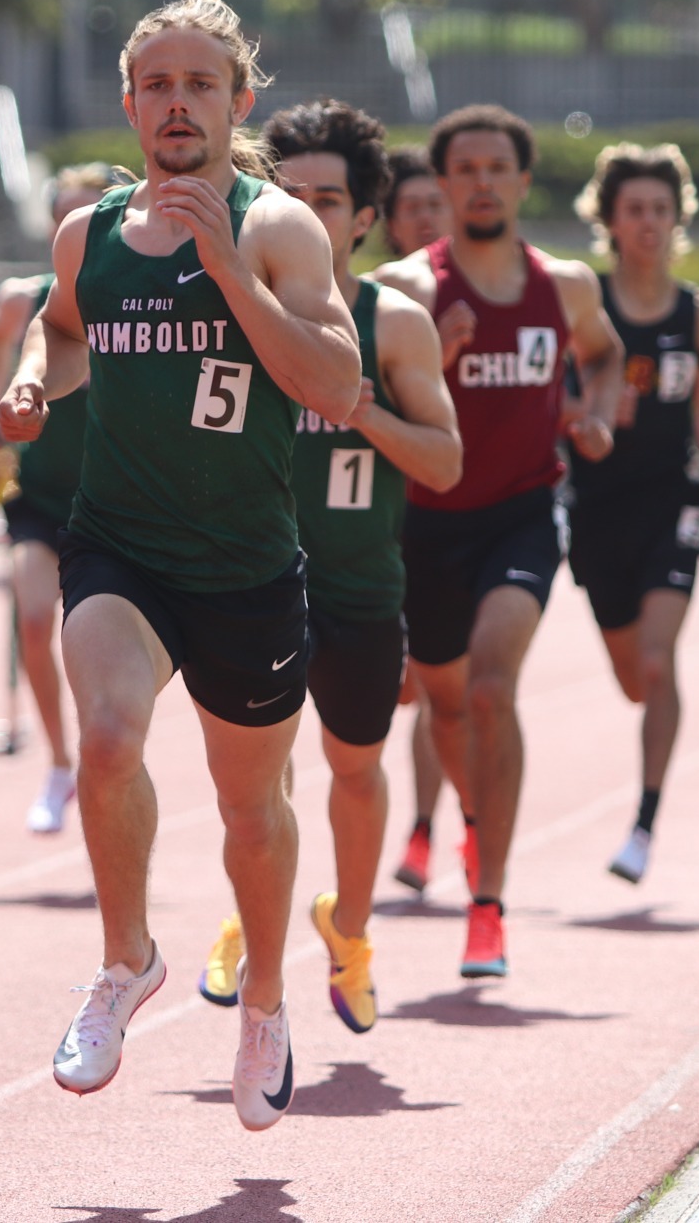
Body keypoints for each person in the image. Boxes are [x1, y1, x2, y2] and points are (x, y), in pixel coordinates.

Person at [0, 0, 362, 1131]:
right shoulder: (88, 234)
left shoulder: (276, 230)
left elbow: (335, 387)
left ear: (236, 100)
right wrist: (27, 380)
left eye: (199, 84)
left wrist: (230, 270)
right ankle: (124, 962)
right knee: (106, 733)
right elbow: (60, 329)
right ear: (128, 102)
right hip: (120, 546)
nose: (175, 103)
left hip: (245, 563)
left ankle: (263, 995)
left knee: (249, 808)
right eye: (155, 84)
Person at [197, 100, 461, 1033]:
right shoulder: (230, 307)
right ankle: (250, 920)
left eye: (329, 198)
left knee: (354, 768)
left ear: (362, 218)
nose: (306, 211)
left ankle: (349, 933)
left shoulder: (395, 325)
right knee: (254, 781)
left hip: (358, 588)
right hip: (254, 578)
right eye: (288, 193)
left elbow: (443, 462)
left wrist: (356, 407)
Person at [378, 105, 624, 978]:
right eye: (465, 169)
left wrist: (593, 414)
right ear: (441, 186)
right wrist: (430, 364)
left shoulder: (567, 286)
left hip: (524, 510)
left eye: (498, 168)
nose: (482, 182)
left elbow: (604, 355)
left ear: (524, 181)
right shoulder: (404, 289)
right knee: (446, 706)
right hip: (427, 520)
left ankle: (489, 903)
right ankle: (477, 829)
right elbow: (361, 405)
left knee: (490, 686)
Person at [564, 144, 699, 885]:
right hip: (600, 508)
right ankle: (644, 803)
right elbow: (551, 396)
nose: (648, 223)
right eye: (634, 209)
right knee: (635, 677)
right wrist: (588, 414)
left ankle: (644, 822)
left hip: (675, 501)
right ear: (609, 219)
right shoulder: (584, 306)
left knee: (660, 664)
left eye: (660, 210)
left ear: (678, 217)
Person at [0, 163, 122, 833]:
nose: (79, 228)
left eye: (91, 215)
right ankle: (60, 762)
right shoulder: (25, 297)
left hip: (114, 503)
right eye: (67, 215)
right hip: (38, 499)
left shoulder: (134, 301)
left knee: (97, 649)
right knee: (34, 619)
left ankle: (106, 762)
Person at [373, 148, 458, 894]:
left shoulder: (487, 290)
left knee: (437, 687)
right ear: (390, 220)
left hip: (460, 517)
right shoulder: (370, 303)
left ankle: (429, 829)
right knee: (394, 689)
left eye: (440, 202)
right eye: (414, 206)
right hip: (381, 517)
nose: (428, 216)